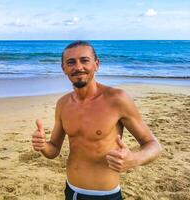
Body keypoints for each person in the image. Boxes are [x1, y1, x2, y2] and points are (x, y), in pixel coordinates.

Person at [32, 41, 162, 200]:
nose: (78, 67)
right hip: (71, 191)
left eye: (84, 60)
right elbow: (54, 150)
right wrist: (43, 146)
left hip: (105, 195)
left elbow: (153, 144)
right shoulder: (63, 104)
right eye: (71, 62)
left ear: (96, 64)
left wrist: (134, 159)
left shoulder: (117, 99)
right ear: (63, 68)